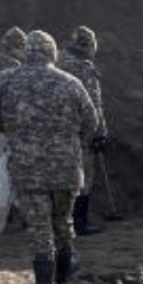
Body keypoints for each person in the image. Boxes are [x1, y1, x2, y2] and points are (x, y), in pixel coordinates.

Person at [0, 30, 98, 284]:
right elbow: (91, 122)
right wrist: (71, 142)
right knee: (63, 221)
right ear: (52, 52)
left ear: (27, 51)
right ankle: (64, 275)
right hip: (66, 168)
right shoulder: (71, 82)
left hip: (27, 170)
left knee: (39, 228)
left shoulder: (5, 79)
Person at [57, 26, 109, 235]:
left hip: (52, 132)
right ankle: (79, 223)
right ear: (89, 45)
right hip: (80, 132)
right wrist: (100, 133)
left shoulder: (55, 62)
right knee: (83, 177)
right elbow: (93, 105)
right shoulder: (84, 68)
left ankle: (58, 221)